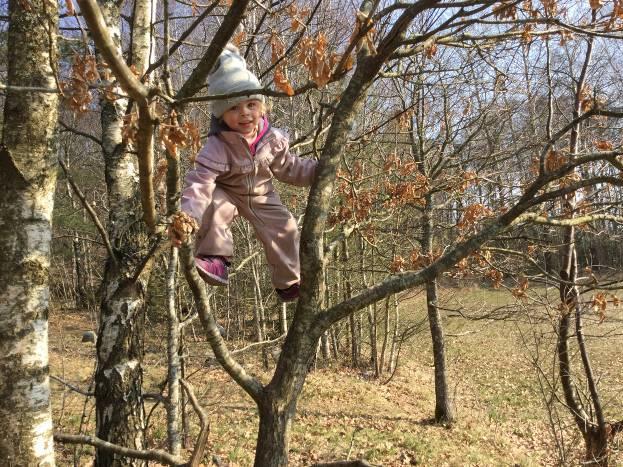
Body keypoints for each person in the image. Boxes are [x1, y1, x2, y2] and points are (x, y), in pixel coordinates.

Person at [171, 45, 317, 302]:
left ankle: (288, 282)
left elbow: (289, 168)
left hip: (262, 194)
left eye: (251, 104)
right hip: (227, 191)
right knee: (215, 205)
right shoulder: (218, 145)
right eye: (234, 108)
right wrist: (188, 218)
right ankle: (215, 259)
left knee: (286, 227)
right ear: (221, 114)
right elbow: (200, 183)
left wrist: (319, 171)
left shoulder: (272, 139)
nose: (245, 113)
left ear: (262, 107)